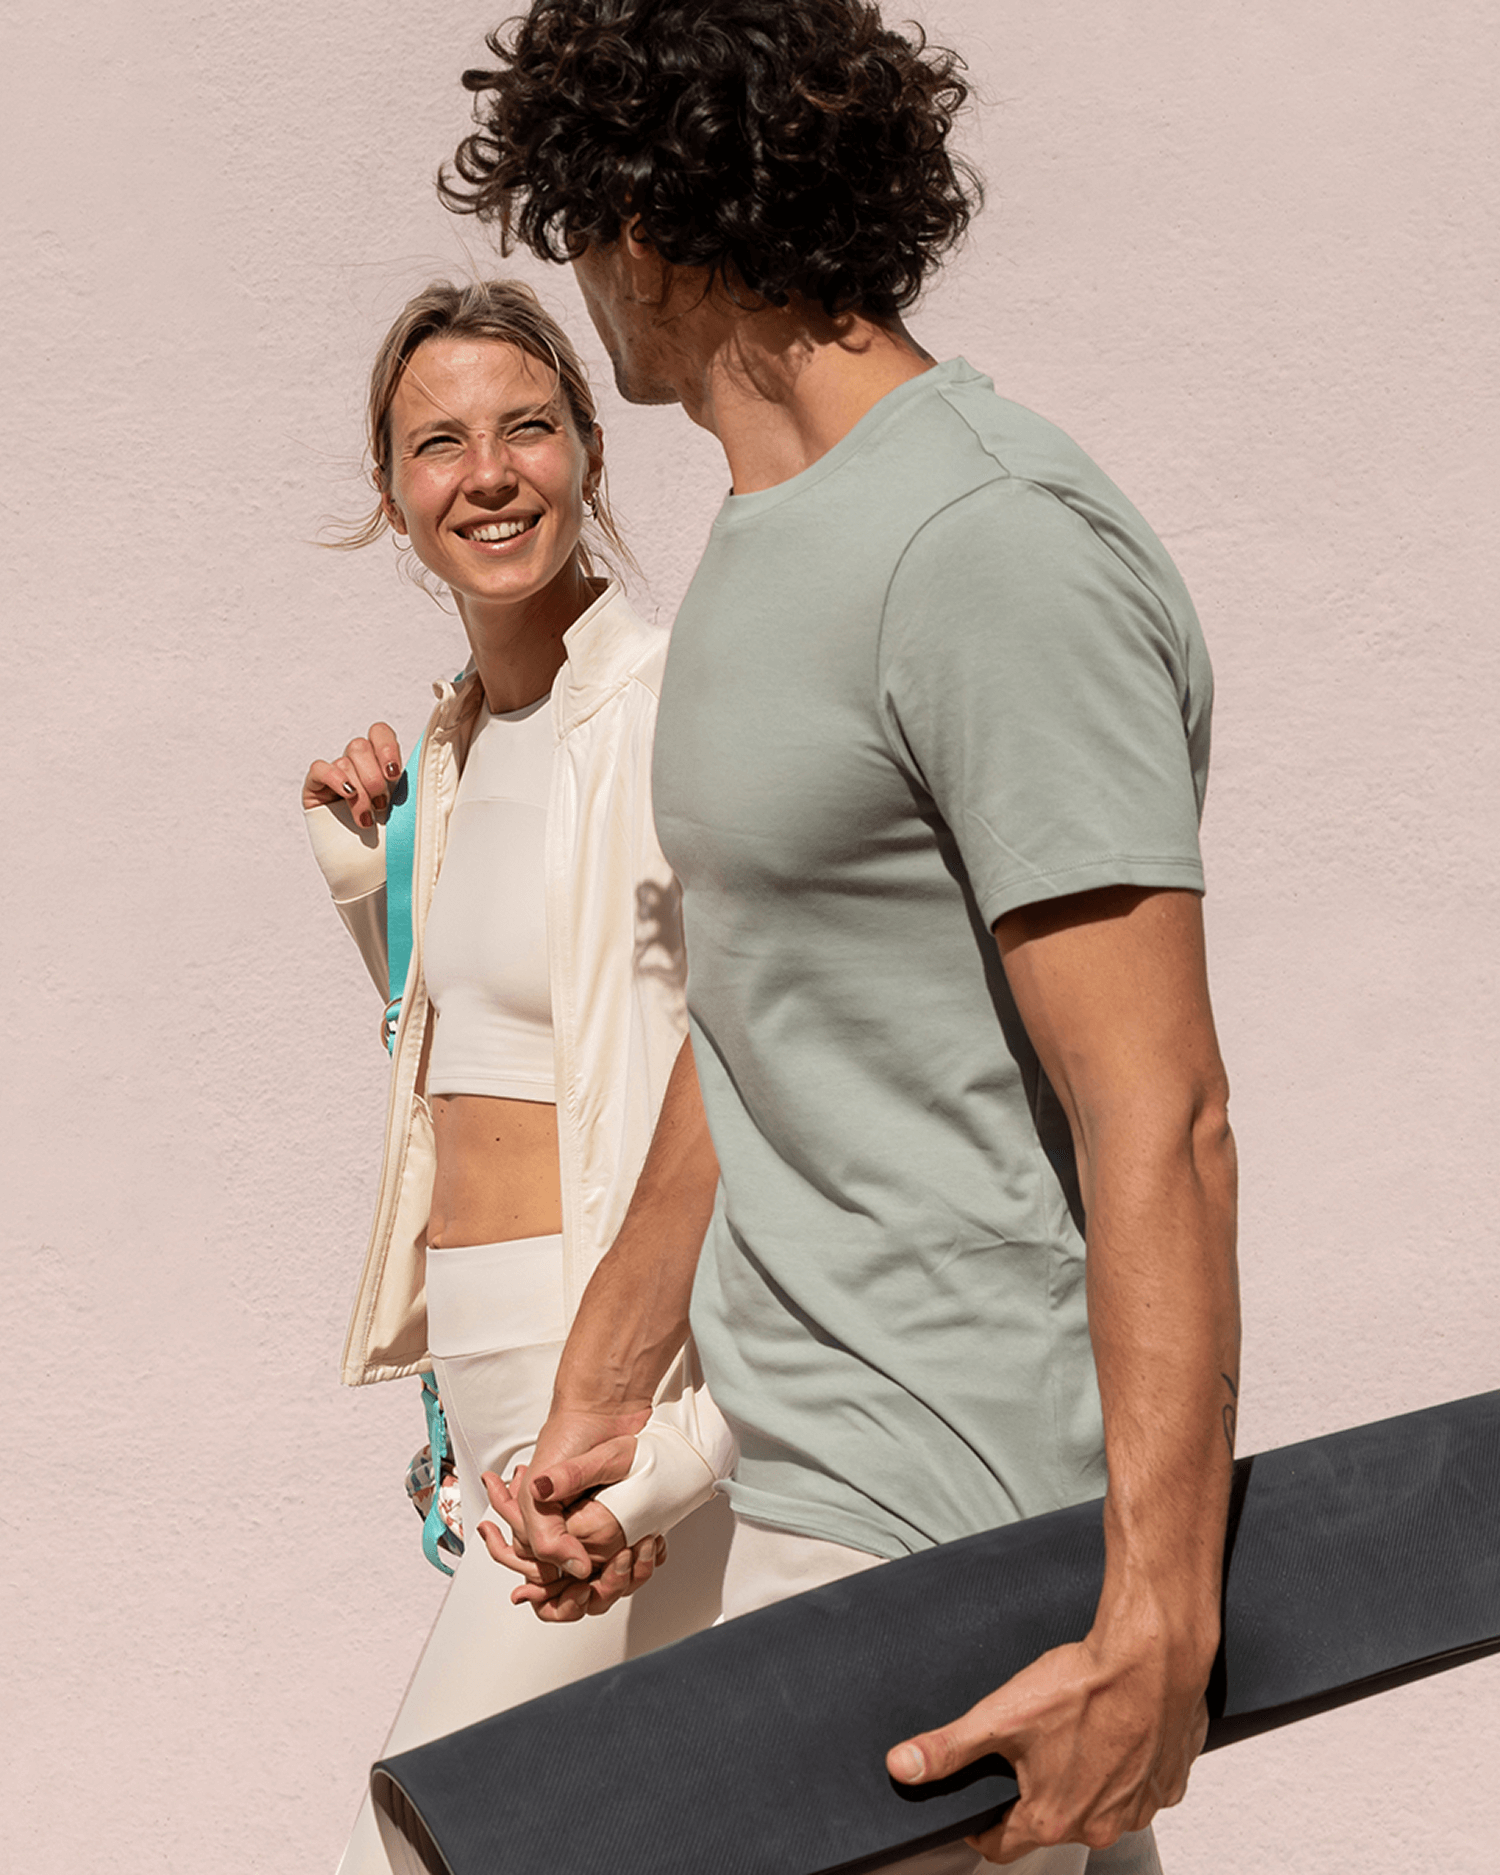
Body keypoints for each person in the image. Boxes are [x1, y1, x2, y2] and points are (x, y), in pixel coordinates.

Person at [427, 5, 1243, 1873]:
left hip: (956, 1538)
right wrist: (613, 1392)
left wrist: (1157, 1627)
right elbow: (762, 1003)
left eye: (575, 224)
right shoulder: (769, 533)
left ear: (644, 226)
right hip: (790, 1500)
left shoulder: (989, 539)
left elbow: (1162, 1108)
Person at [301, 277, 734, 1875]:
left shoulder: (668, 708)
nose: (486, 472)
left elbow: (736, 1061)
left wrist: (672, 1424)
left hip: (609, 1365)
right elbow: (483, 1057)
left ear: (591, 452)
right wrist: (378, 868)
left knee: (432, 1835)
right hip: (483, 1366)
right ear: (393, 493)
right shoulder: (464, 748)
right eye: (439, 443)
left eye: (526, 427)